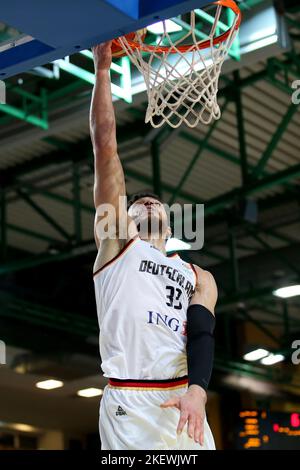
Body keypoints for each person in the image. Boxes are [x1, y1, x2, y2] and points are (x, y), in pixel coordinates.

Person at [90, 41, 218, 450]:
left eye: (155, 201)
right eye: (137, 201)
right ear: (124, 216)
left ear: (168, 218)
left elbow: (201, 335)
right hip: (128, 399)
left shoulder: (199, 277)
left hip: (183, 398)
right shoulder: (118, 245)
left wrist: (198, 392)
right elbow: (105, 144)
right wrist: (103, 69)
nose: (147, 201)